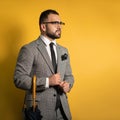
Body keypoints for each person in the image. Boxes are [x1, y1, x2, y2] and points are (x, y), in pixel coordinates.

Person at [14, 9, 74, 120]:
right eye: (55, 23)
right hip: (39, 112)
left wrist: (68, 85)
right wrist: (47, 81)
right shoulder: (29, 49)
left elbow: (69, 76)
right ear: (43, 26)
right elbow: (19, 79)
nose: (59, 26)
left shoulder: (64, 50)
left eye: (60, 23)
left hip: (63, 111)